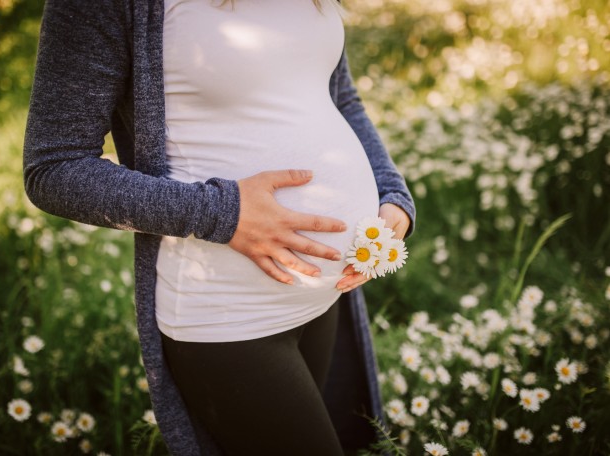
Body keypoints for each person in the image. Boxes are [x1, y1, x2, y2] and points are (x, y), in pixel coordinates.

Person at [24, 0, 415, 454]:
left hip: (323, 295)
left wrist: (392, 194)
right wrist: (222, 213)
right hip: (227, 312)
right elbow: (54, 167)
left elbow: (337, 94)